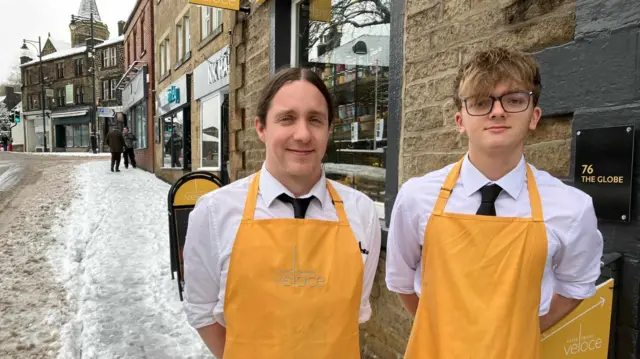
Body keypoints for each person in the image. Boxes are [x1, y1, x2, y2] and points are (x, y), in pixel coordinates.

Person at [385, 47, 603, 359]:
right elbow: (402, 281)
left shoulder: (571, 207)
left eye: (514, 100)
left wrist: (519, 331)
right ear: (461, 120)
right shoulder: (417, 196)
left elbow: (575, 286)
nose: (497, 111)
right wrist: (442, 330)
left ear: (534, 116)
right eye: (481, 102)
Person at [182, 67, 381, 359]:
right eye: (287, 118)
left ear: (329, 129)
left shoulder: (361, 211)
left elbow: (356, 310)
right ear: (261, 128)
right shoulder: (214, 212)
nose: (302, 134)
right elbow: (201, 311)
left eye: (315, 120)